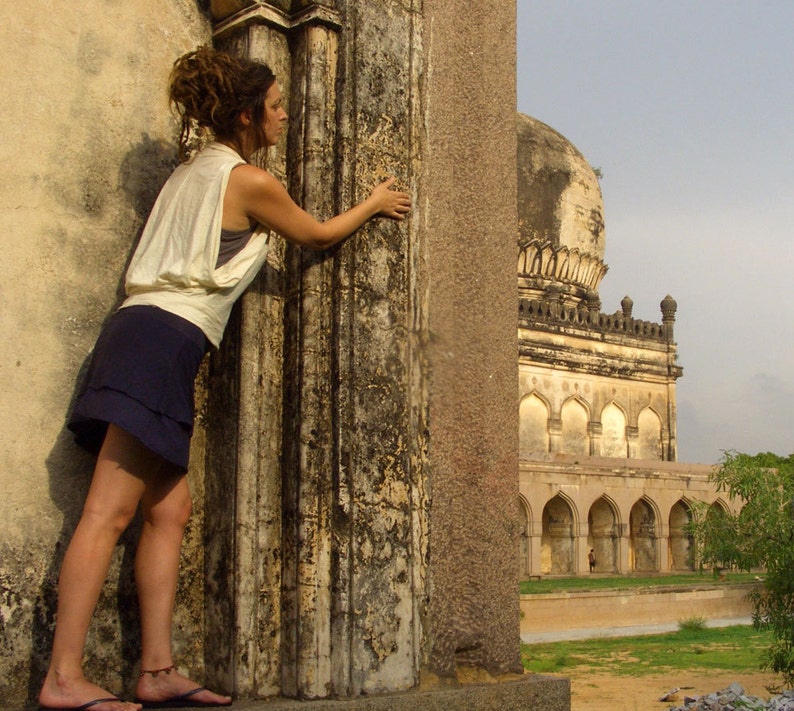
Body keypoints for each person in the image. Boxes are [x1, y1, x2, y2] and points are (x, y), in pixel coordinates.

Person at [38, 46, 411, 711]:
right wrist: (376, 200)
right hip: (159, 338)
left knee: (169, 509)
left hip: (153, 337)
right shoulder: (247, 180)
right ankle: (63, 674)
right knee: (108, 509)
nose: (283, 115)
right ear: (245, 116)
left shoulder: (192, 173)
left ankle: (156, 669)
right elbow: (319, 235)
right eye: (274, 106)